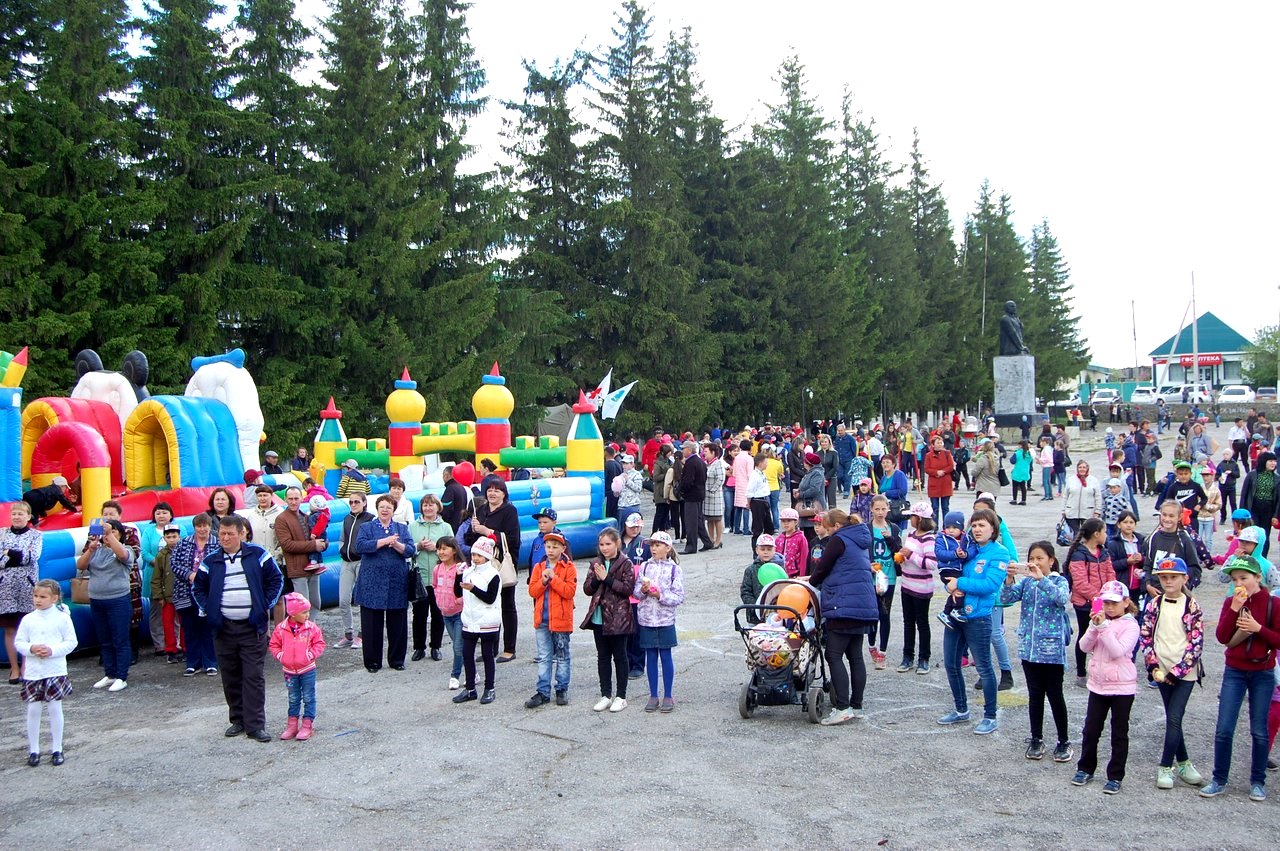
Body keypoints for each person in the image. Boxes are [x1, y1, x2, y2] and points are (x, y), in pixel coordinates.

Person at [193, 514, 284, 742]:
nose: (225, 538)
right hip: (223, 628)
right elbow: (198, 588)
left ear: (241, 534)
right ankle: (238, 720)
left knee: (253, 677)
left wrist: (263, 606)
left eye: (230, 534)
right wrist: (209, 610)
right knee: (231, 676)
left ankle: (255, 725)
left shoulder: (258, 555)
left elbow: (277, 580)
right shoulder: (211, 561)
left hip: (252, 628)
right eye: (222, 534)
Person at [1199, 556, 1280, 802]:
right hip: (1234, 670)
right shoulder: (1231, 602)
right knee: (1224, 727)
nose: (1239, 584)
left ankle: (1257, 782)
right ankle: (1219, 779)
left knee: (1259, 730)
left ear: (1258, 577)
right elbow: (1222, 637)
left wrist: (1258, 628)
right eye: (1235, 580)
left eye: (1244, 578)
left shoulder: (1273, 603)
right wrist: (1234, 608)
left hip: (1263, 672)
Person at [1137, 556, 1206, 790]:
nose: (1168, 581)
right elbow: (1145, 635)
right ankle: (1184, 763)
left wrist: (1177, 672)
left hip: (1184, 673)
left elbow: (1195, 644)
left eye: (1173, 577)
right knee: (1172, 718)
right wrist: (1152, 665)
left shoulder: (1192, 606)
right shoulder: (1154, 604)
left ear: (1184, 579)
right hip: (1161, 669)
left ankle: (1165, 766)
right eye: (1164, 577)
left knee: (1175, 717)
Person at [938, 509, 1009, 735]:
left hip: (978, 618)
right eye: (974, 525)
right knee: (951, 664)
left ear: (993, 529)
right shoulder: (968, 548)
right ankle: (961, 710)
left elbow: (990, 585)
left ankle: (990, 716)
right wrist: (951, 587)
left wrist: (959, 584)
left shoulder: (999, 553)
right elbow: (950, 574)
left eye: (982, 525)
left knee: (984, 667)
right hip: (956, 614)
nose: (977, 530)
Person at [1001, 541, 1072, 762]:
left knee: (1055, 695)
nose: (1035, 562)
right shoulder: (1027, 582)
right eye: (1032, 558)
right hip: (1029, 649)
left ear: (1051, 560)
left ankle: (1063, 741)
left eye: (1040, 558)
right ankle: (1036, 738)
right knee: (1035, 695)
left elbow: (1061, 599)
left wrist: (1042, 579)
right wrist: (1009, 579)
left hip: (1051, 650)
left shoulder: (1059, 581)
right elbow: (1005, 599)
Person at [1071, 580, 1140, 794]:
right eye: (1106, 603)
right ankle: (1085, 768)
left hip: (1122, 687)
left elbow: (1117, 651)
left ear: (1126, 602)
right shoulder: (1100, 622)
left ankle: (1115, 776)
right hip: (1098, 685)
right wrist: (1094, 627)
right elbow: (1083, 646)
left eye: (1114, 603)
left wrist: (1103, 628)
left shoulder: (1131, 625)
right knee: (1091, 729)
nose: (1109, 608)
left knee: (1119, 732)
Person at [808, 509, 877, 725]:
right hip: (862, 604)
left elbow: (822, 568)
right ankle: (857, 705)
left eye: (828, 529)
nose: (827, 533)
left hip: (843, 604)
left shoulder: (838, 540)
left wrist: (810, 581)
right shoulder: (860, 538)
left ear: (836, 526)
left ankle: (842, 707)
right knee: (855, 656)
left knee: (833, 655)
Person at [16, 580, 76, 766]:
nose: (38, 600)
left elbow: (71, 642)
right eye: (35, 596)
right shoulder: (28, 619)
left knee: (54, 708)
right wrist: (31, 648)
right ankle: (34, 750)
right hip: (33, 672)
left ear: (54, 598)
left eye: (43, 597)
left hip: (54, 670)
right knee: (33, 710)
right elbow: (19, 642)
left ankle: (57, 748)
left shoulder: (62, 618)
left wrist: (52, 650)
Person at [353, 494, 413, 673]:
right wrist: (383, 542)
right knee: (371, 624)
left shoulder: (402, 528)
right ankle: (372, 661)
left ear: (394, 510)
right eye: (382, 507)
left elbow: (410, 550)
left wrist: (396, 545)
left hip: (396, 581)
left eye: (389, 507)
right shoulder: (367, 527)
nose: (385, 510)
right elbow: (360, 546)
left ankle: (396, 660)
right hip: (371, 581)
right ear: (377, 509)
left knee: (398, 623)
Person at [76, 517, 134, 692]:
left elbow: (122, 556)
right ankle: (110, 673)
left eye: (113, 532)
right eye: (106, 533)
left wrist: (109, 534)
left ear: (120, 535)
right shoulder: (96, 550)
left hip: (118, 600)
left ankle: (122, 676)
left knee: (120, 639)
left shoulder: (126, 550)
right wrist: (90, 549)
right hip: (97, 600)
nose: (108, 536)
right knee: (105, 639)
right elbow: (81, 566)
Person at [583, 528, 635, 713]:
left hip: (618, 617)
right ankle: (605, 695)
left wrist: (607, 579)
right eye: (601, 544)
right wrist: (597, 580)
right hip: (599, 617)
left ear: (617, 543)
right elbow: (587, 589)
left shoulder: (625, 563)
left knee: (620, 656)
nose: (604, 548)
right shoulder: (596, 563)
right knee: (603, 657)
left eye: (608, 544)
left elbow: (628, 589)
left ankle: (621, 696)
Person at [523, 531, 576, 709]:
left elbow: (569, 592)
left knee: (562, 656)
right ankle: (543, 691)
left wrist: (553, 579)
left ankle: (561, 689)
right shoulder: (539, 567)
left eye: (555, 547)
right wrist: (543, 582)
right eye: (548, 547)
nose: (551, 550)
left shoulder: (568, 567)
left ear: (563, 548)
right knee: (544, 657)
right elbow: (532, 591)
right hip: (542, 619)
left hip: (561, 620)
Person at [634, 531, 685, 713]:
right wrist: (643, 590)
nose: (653, 549)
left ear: (667, 548)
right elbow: (636, 593)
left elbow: (678, 597)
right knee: (651, 657)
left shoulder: (674, 569)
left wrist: (660, 595)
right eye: (652, 545)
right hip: (646, 619)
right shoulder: (645, 566)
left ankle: (668, 695)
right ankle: (653, 694)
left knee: (665, 655)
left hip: (665, 620)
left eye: (657, 545)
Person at [269, 592, 326, 741]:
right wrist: (281, 656)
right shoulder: (281, 629)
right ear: (293, 614)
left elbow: (319, 643)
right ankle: (292, 726)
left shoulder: (311, 628)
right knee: (293, 698)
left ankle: (307, 725)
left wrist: (310, 655)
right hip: (289, 671)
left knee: (308, 697)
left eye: (308, 611)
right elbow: (274, 645)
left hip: (307, 670)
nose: (308, 615)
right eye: (304, 612)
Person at [1067, 519, 1116, 685]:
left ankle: (1102, 670)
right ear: (1096, 534)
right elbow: (1080, 583)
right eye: (1104, 531)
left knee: (1104, 635)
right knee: (1085, 634)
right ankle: (1081, 673)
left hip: (1103, 601)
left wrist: (1109, 593)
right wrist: (1099, 598)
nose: (1106, 535)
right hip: (1085, 603)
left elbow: (1111, 573)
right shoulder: (1079, 554)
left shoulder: (1104, 552)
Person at [170, 514, 219, 676]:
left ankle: (210, 662)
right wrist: (190, 575)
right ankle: (193, 663)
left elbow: (221, 565)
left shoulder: (217, 543)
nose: (202, 529)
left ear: (210, 526)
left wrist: (204, 578)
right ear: (194, 527)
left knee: (208, 628)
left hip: (208, 592)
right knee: (189, 628)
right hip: (185, 591)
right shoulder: (183, 543)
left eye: (205, 525)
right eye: (199, 526)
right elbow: (174, 564)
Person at [453, 537, 501, 705]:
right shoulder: (468, 572)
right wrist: (458, 577)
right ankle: (470, 689)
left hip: (487, 620)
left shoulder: (493, 574)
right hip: (470, 619)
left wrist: (473, 589)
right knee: (467, 654)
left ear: (487, 557)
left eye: (479, 555)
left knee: (487, 655)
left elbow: (490, 598)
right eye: (473, 555)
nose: (475, 558)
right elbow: (458, 592)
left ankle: (489, 688)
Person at [0, 501, 42, 684]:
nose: (16, 517)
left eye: (20, 514)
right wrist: (17, 555)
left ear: (28, 516)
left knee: (27, 628)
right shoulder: (1, 533)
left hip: (27, 588)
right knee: (10, 629)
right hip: (6, 589)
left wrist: (9, 552)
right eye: (14, 514)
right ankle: (14, 668)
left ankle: (26, 666)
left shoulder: (36, 535)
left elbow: (33, 557)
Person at [274, 487, 326, 623]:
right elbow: (287, 545)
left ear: (301, 499)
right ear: (285, 499)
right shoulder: (281, 519)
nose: (293, 502)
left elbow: (320, 534)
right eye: (290, 499)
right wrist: (314, 545)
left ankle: (310, 628)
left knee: (316, 602)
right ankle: (302, 630)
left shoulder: (306, 517)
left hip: (313, 567)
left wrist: (324, 544)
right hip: (297, 569)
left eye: (296, 498)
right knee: (302, 606)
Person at [897, 503, 937, 675]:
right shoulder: (911, 534)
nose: (909, 519)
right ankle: (907, 656)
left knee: (922, 623)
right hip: (907, 584)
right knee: (908, 622)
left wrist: (911, 555)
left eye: (912, 516)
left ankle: (924, 658)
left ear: (919, 519)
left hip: (921, 588)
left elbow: (931, 564)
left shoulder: (929, 539)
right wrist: (902, 558)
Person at [410, 494, 450, 662]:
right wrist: (418, 546)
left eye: (431, 505)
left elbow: (452, 549)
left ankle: (436, 646)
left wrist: (437, 548)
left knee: (437, 613)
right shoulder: (412, 526)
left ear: (437, 507)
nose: (428, 508)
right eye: (425, 505)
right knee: (419, 614)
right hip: (419, 576)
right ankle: (419, 647)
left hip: (439, 577)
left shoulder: (445, 527)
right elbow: (407, 548)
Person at [867, 495, 901, 670]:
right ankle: (871, 644)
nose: (880, 512)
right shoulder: (867, 528)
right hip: (872, 577)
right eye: (877, 509)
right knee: (872, 613)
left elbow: (899, 551)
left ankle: (883, 652)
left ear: (888, 509)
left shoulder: (893, 528)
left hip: (889, 576)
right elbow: (862, 551)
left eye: (883, 509)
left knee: (885, 613)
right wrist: (868, 565)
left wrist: (889, 538)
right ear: (871, 509)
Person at [334, 492, 372, 650]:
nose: (353, 505)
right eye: (351, 502)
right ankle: (348, 633)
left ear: (364, 503)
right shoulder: (347, 519)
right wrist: (342, 549)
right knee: (343, 599)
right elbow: (342, 538)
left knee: (363, 598)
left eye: (357, 502)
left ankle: (362, 635)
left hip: (362, 561)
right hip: (346, 561)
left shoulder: (370, 519)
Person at [431, 536, 466, 690]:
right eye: (439, 549)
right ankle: (473, 672)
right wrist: (440, 601)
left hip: (459, 613)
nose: (441, 552)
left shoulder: (461, 568)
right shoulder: (437, 569)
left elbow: (466, 588)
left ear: (454, 550)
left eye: (445, 548)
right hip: (445, 613)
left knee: (457, 647)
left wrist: (459, 601)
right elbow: (434, 586)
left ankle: (455, 676)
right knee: (460, 647)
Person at [148, 524, 181, 663]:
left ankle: (185, 648)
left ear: (179, 537)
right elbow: (156, 578)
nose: (172, 539)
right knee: (167, 624)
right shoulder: (161, 555)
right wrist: (159, 596)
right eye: (169, 537)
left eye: (174, 536)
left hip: (183, 595)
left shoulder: (185, 551)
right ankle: (171, 651)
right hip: (167, 597)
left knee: (184, 624)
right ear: (164, 538)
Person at [934, 511, 972, 629]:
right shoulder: (941, 538)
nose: (950, 530)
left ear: (961, 528)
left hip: (959, 569)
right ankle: (956, 609)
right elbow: (939, 554)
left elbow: (972, 550)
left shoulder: (966, 538)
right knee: (960, 587)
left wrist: (965, 554)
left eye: (954, 528)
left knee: (959, 590)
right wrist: (954, 554)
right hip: (947, 569)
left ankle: (946, 612)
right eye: (948, 527)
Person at [676, 441, 714, 554]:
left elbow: (688, 481)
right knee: (698, 520)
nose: (682, 451)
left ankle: (691, 546)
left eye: (684, 449)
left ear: (689, 449)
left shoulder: (691, 462)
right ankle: (707, 542)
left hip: (691, 496)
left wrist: (682, 490)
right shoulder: (700, 461)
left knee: (691, 522)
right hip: (699, 494)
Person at [1240, 452, 1278, 559]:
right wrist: (1242, 512)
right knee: (1253, 534)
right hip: (1253, 508)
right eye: (1270, 461)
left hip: (1268, 509)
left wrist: (1276, 515)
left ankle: (1262, 558)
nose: (1273, 463)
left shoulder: (1277, 478)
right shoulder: (1252, 475)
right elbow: (1244, 494)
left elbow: (1278, 499)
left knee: (1265, 536)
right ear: (1264, 461)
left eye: (1274, 461)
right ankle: (1251, 557)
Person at [1107, 511, 1147, 607]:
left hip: (1139, 585)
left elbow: (1149, 561)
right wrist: (1127, 561)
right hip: (1122, 584)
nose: (1128, 525)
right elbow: (1111, 565)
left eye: (1131, 522)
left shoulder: (1142, 541)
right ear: (1119, 525)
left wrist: (1142, 559)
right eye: (1125, 522)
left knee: (1137, 609)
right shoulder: (1113, 543)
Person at [739, 535, 780, 625]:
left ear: (775, 550)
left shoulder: (778, 570)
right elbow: (745, 592)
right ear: (757, 550)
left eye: (769, 549)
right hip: (754, 617)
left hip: (775, 615)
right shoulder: (750, 570)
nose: (766, 552)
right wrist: (756, 606)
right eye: (762, 549)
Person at [1062, 460, 1102, 535]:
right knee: (1075, 534)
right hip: (1072, 512)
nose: (1082, 469)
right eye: (1080, 467)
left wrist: (1097, 511)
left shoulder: (1094, 480)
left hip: (1088, 512)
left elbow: (1098, 497)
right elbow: (1065, 496)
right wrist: (1063, 510)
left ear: (1087, 468)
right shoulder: (1071, 480)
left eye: (1084, 467)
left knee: (1087, 534)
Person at [746, 452, 774, 548]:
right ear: (760, 463)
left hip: (764, 500)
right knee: (757, 527)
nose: (767, 464)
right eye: (766, 462)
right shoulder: (754, 475)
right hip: (757, 501)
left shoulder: (762, 474)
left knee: (769, 527)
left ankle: (767, 545)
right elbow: (750, 491)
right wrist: (749, 502)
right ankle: (755, 549)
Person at [701, 444, 726, 549]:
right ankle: (711, 539)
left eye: (706, 452)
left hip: (715, 496)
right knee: (709, 519)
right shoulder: (707, 464)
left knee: (717, 519)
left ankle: (718, 540)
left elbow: (720, 479)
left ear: (713, 453)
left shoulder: (718, 463)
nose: (704, 454)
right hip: (707, 496)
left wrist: (712, 490)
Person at [775, 509, 809, 579]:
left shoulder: (800, 538)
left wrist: (802, 576)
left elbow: (804, 557)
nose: (786, 523)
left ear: (796, 522)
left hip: (795, 575)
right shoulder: (779, 538)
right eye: (783, 521)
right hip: (780, 574)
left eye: (789, 521)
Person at [304, 495, 331, 576]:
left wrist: (314, 533)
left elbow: (320, 525)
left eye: (310, 505)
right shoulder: (316, 514)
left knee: (315, 548)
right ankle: (321, 564)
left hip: (319, 535)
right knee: (317, 549)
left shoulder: (321, 515)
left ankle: (313, 562)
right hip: (318, 534)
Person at [1008, 440, 1034, 506]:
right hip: (1025, 471)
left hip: (1017, 471)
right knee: (1023, 486)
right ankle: (1023, 500)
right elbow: (1030, 461)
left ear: (1020, 446)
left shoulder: (1017, 453)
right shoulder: (1028, 453)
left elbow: (1012, 461)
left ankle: (1014, 499)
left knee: (1015, 486)